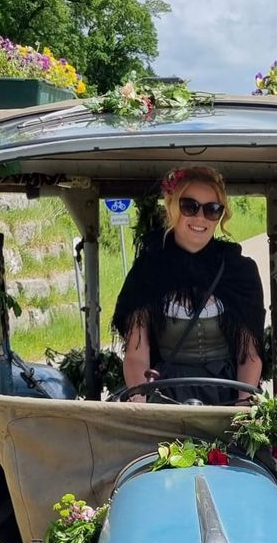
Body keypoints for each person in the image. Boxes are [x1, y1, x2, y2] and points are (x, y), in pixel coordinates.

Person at [112, 165, 265, 404]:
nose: (200, 218)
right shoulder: (149, 269)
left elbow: (250, 355)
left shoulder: (239, 271)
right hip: (166, 393)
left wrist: (243, 404)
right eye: (189, 207)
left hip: (226, 392)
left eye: (212, 210)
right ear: (172, 207)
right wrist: (140, 401)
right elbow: (135, 354)